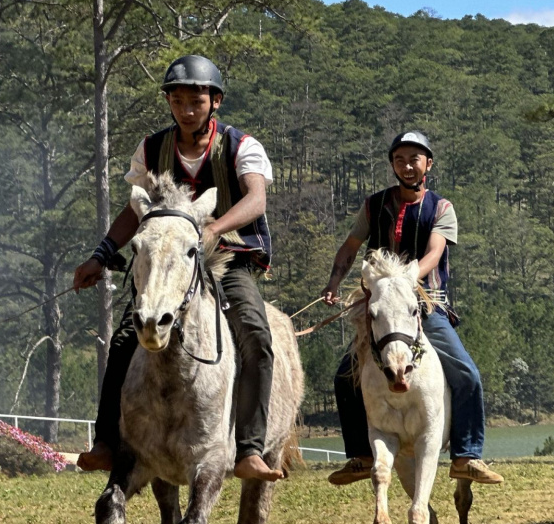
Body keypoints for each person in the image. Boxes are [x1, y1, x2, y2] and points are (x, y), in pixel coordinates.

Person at [74, 54, 282, 481]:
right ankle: (107, 442)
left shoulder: (243, 147)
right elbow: (135, 212)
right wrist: (100, 254)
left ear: (215, 102)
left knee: (256, 335)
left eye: (196, 101)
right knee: (124, 338)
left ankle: (249, 448)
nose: (187, 110)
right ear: (169, 102)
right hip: (166, 262)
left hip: (226, 257)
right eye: (178, 101)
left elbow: (256, 199)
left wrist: (216, 228)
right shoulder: (151, 149)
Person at [321, 131, 503, 486]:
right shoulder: (374, 206)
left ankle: (466, 455)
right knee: (346, 376)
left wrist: (405, 280)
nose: (407, 166)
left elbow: (434, 253)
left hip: (425, 304)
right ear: (392, 164)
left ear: (428, 164)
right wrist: (333, 282)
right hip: (381, 307)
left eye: (414, 159)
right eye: (400, 159)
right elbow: (350, 247)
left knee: (467, 374)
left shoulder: (442, 208)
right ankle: (360, 455)